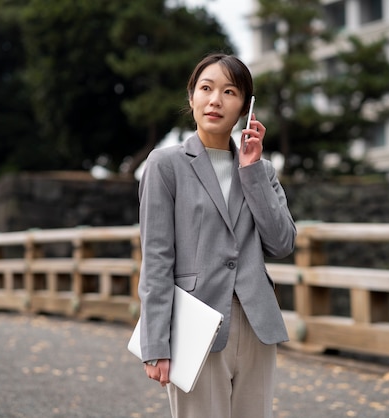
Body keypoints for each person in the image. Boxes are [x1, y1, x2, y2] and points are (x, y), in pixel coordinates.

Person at [137, 53, 297, 418]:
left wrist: (252, 172)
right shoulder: (165, 165)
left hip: (257, 323)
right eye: (206, 88)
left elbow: (282, 243)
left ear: (245, 107)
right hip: (195, 324)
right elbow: (157, 258)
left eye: (230, 91)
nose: (215, 100)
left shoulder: (261, 170)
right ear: (191, 97)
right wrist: (155, 342)